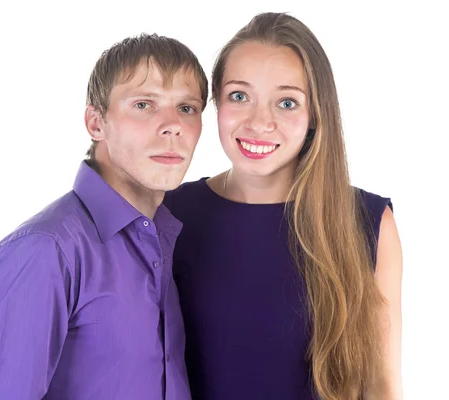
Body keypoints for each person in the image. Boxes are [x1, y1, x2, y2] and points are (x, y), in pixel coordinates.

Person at [164, 12, 403, 400]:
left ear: (314, 115)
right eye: (239, 96)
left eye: (287, 102)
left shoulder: (368, 223)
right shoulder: (171, 214)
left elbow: (382, 386)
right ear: (216, 104)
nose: (260, 122)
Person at [0, 33, 208, 399]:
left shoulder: (168, 235)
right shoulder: (45, 251)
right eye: (144, 104)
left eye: (187, 108)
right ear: (96, 123)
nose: (172, 125)